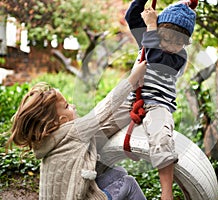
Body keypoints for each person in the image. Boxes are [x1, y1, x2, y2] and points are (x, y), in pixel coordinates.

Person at [6, 61, 147, 200]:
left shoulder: (48, 143)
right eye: (67, 106)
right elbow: (105, 107)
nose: (73, 106)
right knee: (129, 183)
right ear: (60, 121)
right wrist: (133, 78)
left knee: (118, 173)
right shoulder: (74, 132)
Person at [102, 0, 196, 199]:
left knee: (161, 137)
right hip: (131, 100)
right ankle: (94, 174)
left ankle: (166, 193)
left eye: (178, 42)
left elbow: (155, 57)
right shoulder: (149, 37)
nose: (171, 45)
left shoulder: (179, 57)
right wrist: (149, 18)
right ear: (159, 30)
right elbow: (132, 16)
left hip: (158, 104)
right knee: (100, 128)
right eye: (166, 38)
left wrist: (152, 26)